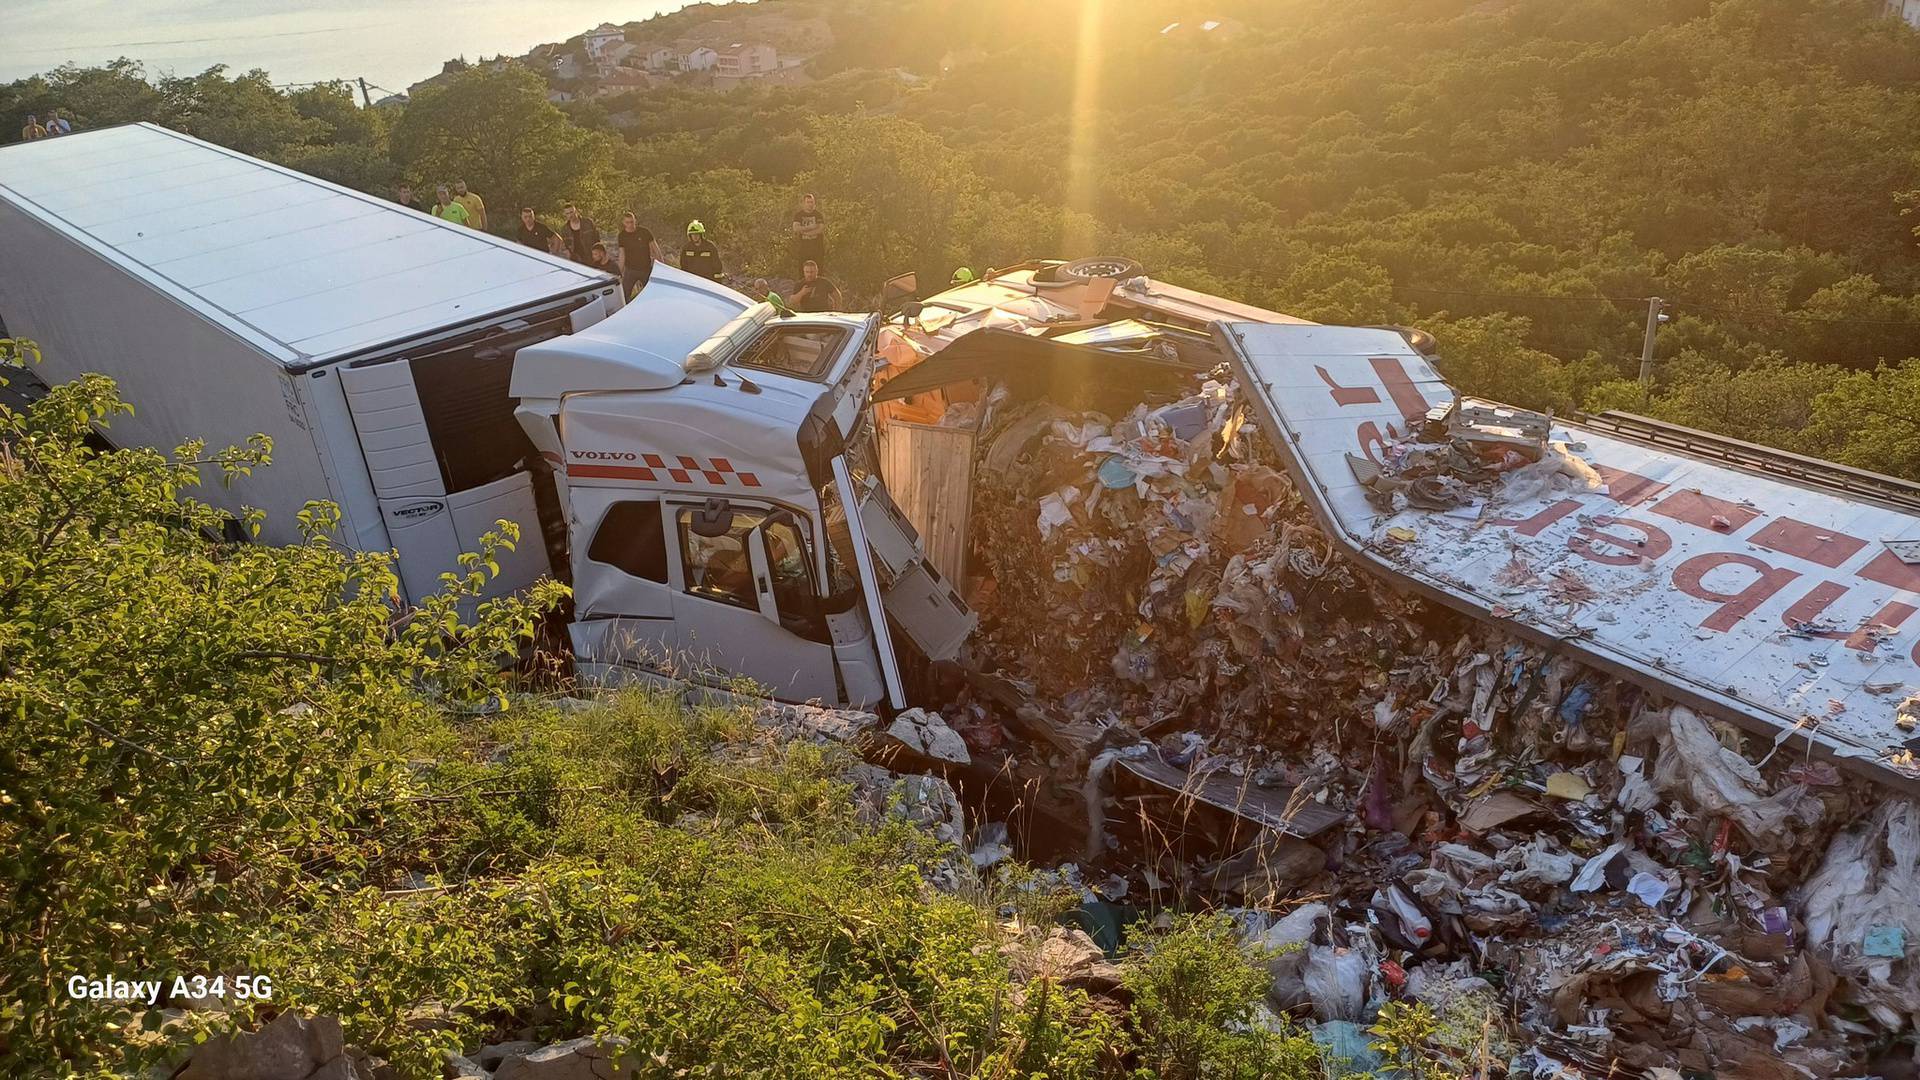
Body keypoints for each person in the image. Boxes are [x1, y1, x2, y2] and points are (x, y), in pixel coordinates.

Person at [616, 211, 659, 299]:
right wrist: (619, 272)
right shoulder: (622, 236)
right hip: (630, 270)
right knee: (624, 295)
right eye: (627, 222)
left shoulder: (644, 232)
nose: (630, 224)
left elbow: (656, 250)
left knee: (652, 294)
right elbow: (622, 255)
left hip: (645, 269)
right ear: (624, 223)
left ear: (635, 221)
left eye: (632, 222)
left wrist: (661, 266)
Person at [790, 193, 825, 276]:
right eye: (808, 202)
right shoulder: (799, 215)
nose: (810, 204)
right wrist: (812, 226)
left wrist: (805, 232)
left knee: (818, 269)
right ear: (803, 203)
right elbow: (796, 228)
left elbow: (820, 229)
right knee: (803, 269)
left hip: (817, 247)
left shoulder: (818, 215)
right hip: (804, 248)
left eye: (811, 202)